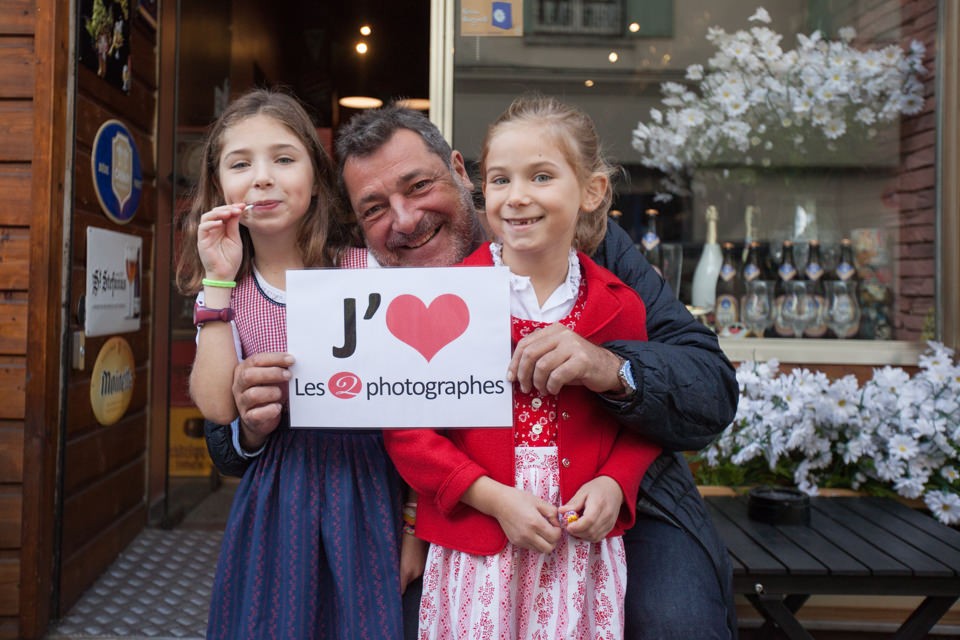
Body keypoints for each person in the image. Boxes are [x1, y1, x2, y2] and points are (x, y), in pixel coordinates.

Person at [206, 102, 740, 639]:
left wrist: (610, 368)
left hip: (617, 503)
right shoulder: (356, 285)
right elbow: (230, 439)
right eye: (374, 209)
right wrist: (253, 422)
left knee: (677, 623)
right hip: (453, 513)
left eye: (418, 186)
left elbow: (709, 387)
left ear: (462, 173)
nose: (406, 220)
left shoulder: (580, 241)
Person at [382, 94, 663, 637]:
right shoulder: (448, 297)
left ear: (591, 191)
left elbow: (643, 415)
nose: (516, 197)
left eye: (540, 177)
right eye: (502, 180)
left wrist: (615, 483)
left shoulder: (619, 304)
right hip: (480, 538)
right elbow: (407, 429)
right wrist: (491, 496)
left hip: (576, 548)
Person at [175, 88, 411, 639]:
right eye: (241, 164)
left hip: (369, 486)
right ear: (218, 188)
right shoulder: (226, 289)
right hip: (280, 498)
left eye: (284, 159)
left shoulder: (367, 269)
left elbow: (416, 397)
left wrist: (415, 523)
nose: (263, 177)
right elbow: (214, 404)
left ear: (316, 174)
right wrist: (216, 278)